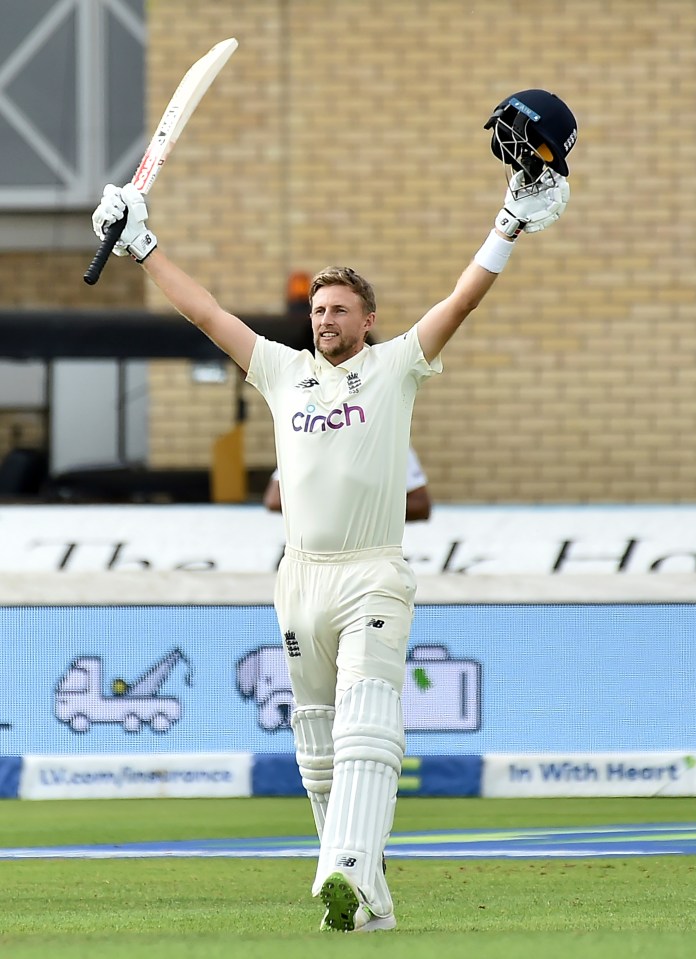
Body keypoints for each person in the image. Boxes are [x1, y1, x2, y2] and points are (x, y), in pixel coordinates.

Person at [91, 87, 574, 933]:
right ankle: (367, 901)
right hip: (298, 579)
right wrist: (142, 245)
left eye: (338, 309)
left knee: (363, 727)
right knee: (316, 750)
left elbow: (459, 301)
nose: (324, 319)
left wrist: (509, 224)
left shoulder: (395, 367)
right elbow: (207, 314)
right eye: (316, 309)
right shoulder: (282, 371)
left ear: (368, 320)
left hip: (371, 575)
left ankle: (341, 872)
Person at [263, 444, 431, 521]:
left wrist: (363, 509)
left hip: (373, 557)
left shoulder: (389, 442)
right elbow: (274, 500)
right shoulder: (309, 440)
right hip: (316, 559)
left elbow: (421, 505)